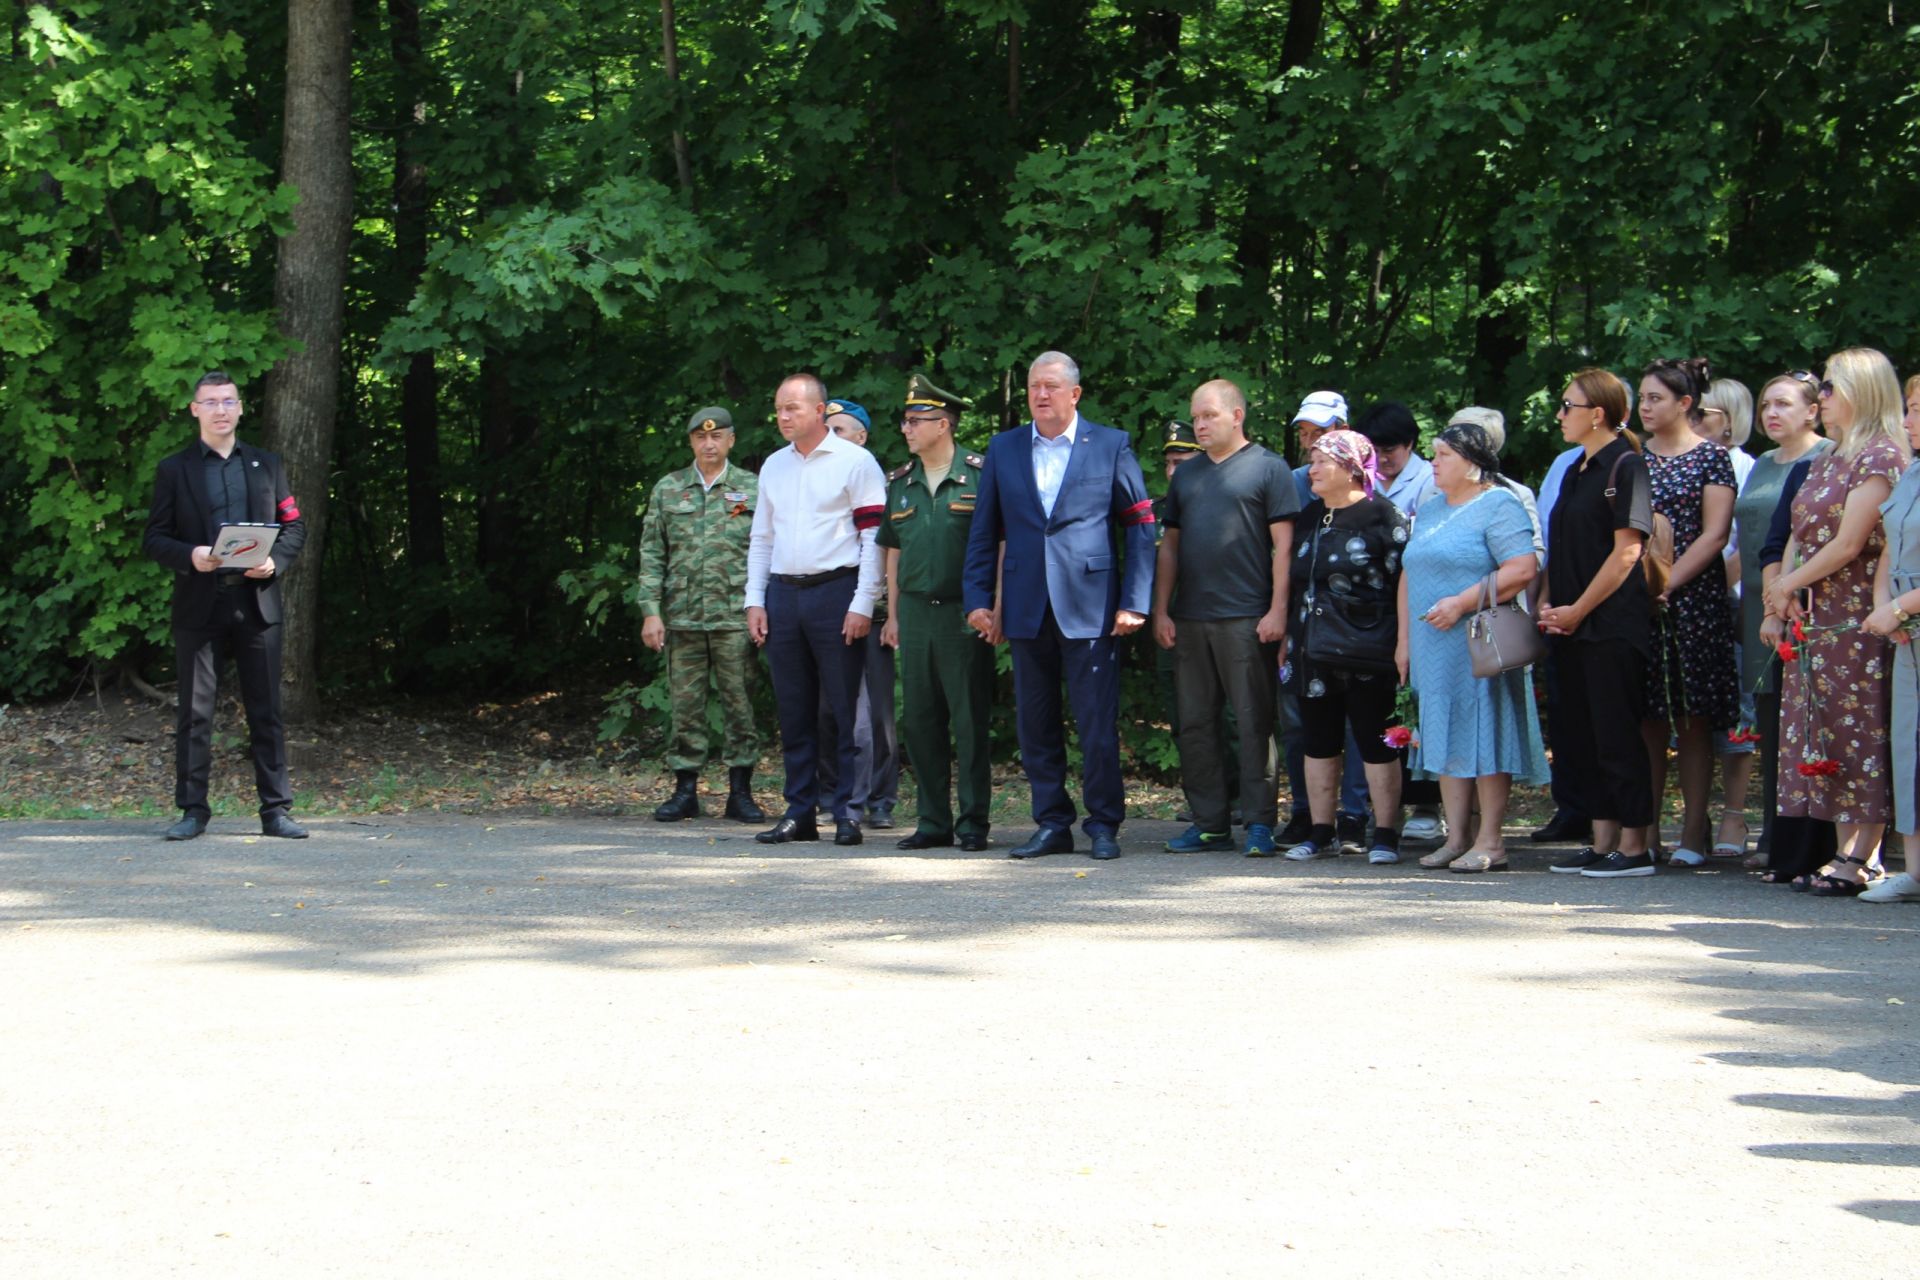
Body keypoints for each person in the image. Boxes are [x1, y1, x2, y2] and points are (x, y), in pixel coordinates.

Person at [961, 351, 1155, 861]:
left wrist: (1135, 600)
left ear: (1075, 394)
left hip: (1091, 606)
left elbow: (1139, 524)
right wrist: (979, 600)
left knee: (1096, 723)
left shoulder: (1110, 445)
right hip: (1026, 605)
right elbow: (985, 531)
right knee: (1035, 722)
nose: (1040, 395)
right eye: (1032, 387)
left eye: (1050, 386)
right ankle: (1051, 822)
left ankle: (1104, 823)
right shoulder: (1003, 449)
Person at [1763, 348, 1909, 895]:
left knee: (1861, 731)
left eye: (1828, 387)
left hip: (1860, 617)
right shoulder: (1828, 457)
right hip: (1814, 617)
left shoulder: (1883, 457)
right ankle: (1846, 853)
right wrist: (1784, 593)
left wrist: (1787, 585)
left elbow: (1850, 543)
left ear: (1862, 391)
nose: (1820, 397)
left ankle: (1864, 856)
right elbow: (1801, 531)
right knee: (1827, 736)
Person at [141, 370, 309, 841]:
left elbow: (294, 525)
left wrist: (274, 562)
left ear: (240, 408)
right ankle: (193, 810)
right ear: (194, 409)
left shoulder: (266, 464)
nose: (220, 410)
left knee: (266, 709)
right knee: (195, 713)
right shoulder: (175, 470)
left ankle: (276, 811)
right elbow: (154, 538)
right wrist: (190, 556)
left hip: (256, 603)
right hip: (200, 604)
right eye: (211, 402)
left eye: (228, 401)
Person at [1152, 379, 1298, 856]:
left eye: (1208, 415)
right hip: (1190, 618)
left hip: (1246, 616)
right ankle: (1210, 821)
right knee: (1194, 723)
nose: (1199, 424)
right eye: (1195, 416)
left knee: (1254, 720)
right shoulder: (1188, 475)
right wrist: (1161, 610)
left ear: (1237, 416)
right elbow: (1169, 547)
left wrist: (1278, 609)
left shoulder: (1268, 468)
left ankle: (1259, 822)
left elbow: (1284, 548)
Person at [1398, 420, 1549, 873]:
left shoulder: (1498, 504)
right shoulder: (1430, 508)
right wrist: (1404, 640)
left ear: (1471, 463)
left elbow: (1522, 568)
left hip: (1478, 641)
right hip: (1431, 644)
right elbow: (1409, 572)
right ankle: (1456, 836)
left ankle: (1491, 841)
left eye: (1442, 455)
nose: (1433, 463)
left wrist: (1462, 601)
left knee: (1486, 728)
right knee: (1442, 732)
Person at [744, 373, 888, 846]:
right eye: (779, 408)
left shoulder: (856, 461)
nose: (784, 417)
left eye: (794, 408)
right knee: (794, 708)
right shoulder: (773, 466)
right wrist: (755, 599)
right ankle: (799, 810)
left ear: (821, 410)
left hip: (837, 591)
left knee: (844, 708)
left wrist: (863, 601)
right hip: (784, 593)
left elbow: (873, 539)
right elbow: (762, 537)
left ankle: (847, 811)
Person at [1539, 368, 1659, 878]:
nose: (1560, 414)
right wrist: (1548, 605)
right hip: (1567, 623)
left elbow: (1627, 552)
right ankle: (1602, 838)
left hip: (1610, 625)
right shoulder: (1574, 469)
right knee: (1581, 735)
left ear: (1598, 414)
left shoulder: (1627, 466)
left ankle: (1634, 847)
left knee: (1615, 732)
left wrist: (1579, 609)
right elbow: (1561, 545)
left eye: (1568, 405)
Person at [878, 373, 995, 852]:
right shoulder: (900, 483)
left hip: (962, 616)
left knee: (968, 721)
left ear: (942, 424)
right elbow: (892, 550)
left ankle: (972, 824)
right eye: (905, 421)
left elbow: (999, 546)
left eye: (914, 420)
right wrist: (892, 613)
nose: (906, 429)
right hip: (915, 613)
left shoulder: (980, 476)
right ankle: (932, 821)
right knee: (921, 722)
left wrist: (993, 605)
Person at [1280, 429, 1408, 863]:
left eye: (1321, 462)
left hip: (1369, 649)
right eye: (1311, 461)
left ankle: (1386, 833)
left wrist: (1402, 644)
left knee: (1375, 742)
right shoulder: (1310, 515)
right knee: (1318, 740)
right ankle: (1320, 830)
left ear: (1351, 469)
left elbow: (1403, 585)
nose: (1311, 469)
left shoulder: (1383, 517)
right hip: (1311, 648)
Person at [637, 406, 764, 824]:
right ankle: (685, 790)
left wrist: (760, 605)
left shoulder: (752, 487)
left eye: (717, 437)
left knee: (739, 704)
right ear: (691, 442)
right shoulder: (669, 489)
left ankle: (740, 792)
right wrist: (651, 612)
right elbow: (652, 554)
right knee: (686, 705)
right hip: (683, 617)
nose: (708, 444)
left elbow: (767, 549)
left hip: (734, 616)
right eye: (699, 438)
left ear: (731, 440)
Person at [1637, 357, 1738, 865]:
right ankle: (1647, 831)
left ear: (1685, 403)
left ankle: (1694, 832)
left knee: (1693, 718)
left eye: (1656, 398)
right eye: (1641, 397)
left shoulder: (1710, 458)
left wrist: (1667, 584)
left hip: (1693, 599)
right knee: (1647, 718)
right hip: (1637, 601)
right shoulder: (1633, 456)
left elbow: (1714, 534)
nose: (1645, 406)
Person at [1732, 373, 1830, 864]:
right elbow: (1754, 536)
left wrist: (1782, 598)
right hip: (1758, 601)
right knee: (1771, 718)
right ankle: (1772, 834)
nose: (1772, 413)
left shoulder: (1826, 458)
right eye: (1766, 404)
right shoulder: (1765, 463)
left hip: (1803, 601)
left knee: (1807, 721)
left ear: (1813, 411)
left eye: (1784, 404)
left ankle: (1805, 839)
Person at [1279, 390, 1370, 847]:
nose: (1311, 442)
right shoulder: (1293, 481)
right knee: (1301, 722)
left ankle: (1355, 815)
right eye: (1305, 432)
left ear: (1343, 430)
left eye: (1320, 432)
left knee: (1357, 723)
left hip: (1359, 628)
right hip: (1304, 624)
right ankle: (1307, 814)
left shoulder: (1373, 485)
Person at [813, 399, 900, 830]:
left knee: (879, 713)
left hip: (878, 614)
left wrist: (892, 615)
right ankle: (833, 794)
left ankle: (881, 799)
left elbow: (896, 552)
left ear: (863, 437)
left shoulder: (890, 484)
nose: (833, 436)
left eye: (842, 430)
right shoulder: (817, 483)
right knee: (831, 706)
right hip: (835, 610)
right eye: (828, 428)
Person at [1859, 371, 1920, 903]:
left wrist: (1900, 608)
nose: (1907, 421)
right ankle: (1916, 870)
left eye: (1918, 409)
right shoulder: (1913, 471)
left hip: (1910, 614)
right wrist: (1885, 609)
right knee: (1908, 743)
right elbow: (1889, 548)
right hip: (1906, 633)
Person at [1694, 377, 1758, 858]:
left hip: (1730, 599)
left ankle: (1734, 817)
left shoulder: (1748, 469)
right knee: (1692, 718)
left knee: (1738, 717)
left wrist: (1711, 581)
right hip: (1689, 600)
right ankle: (1696, 818)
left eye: (1705, 414)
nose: (1695, 421)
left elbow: (1739, 545)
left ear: (1729, 421)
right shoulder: (1682, 460)